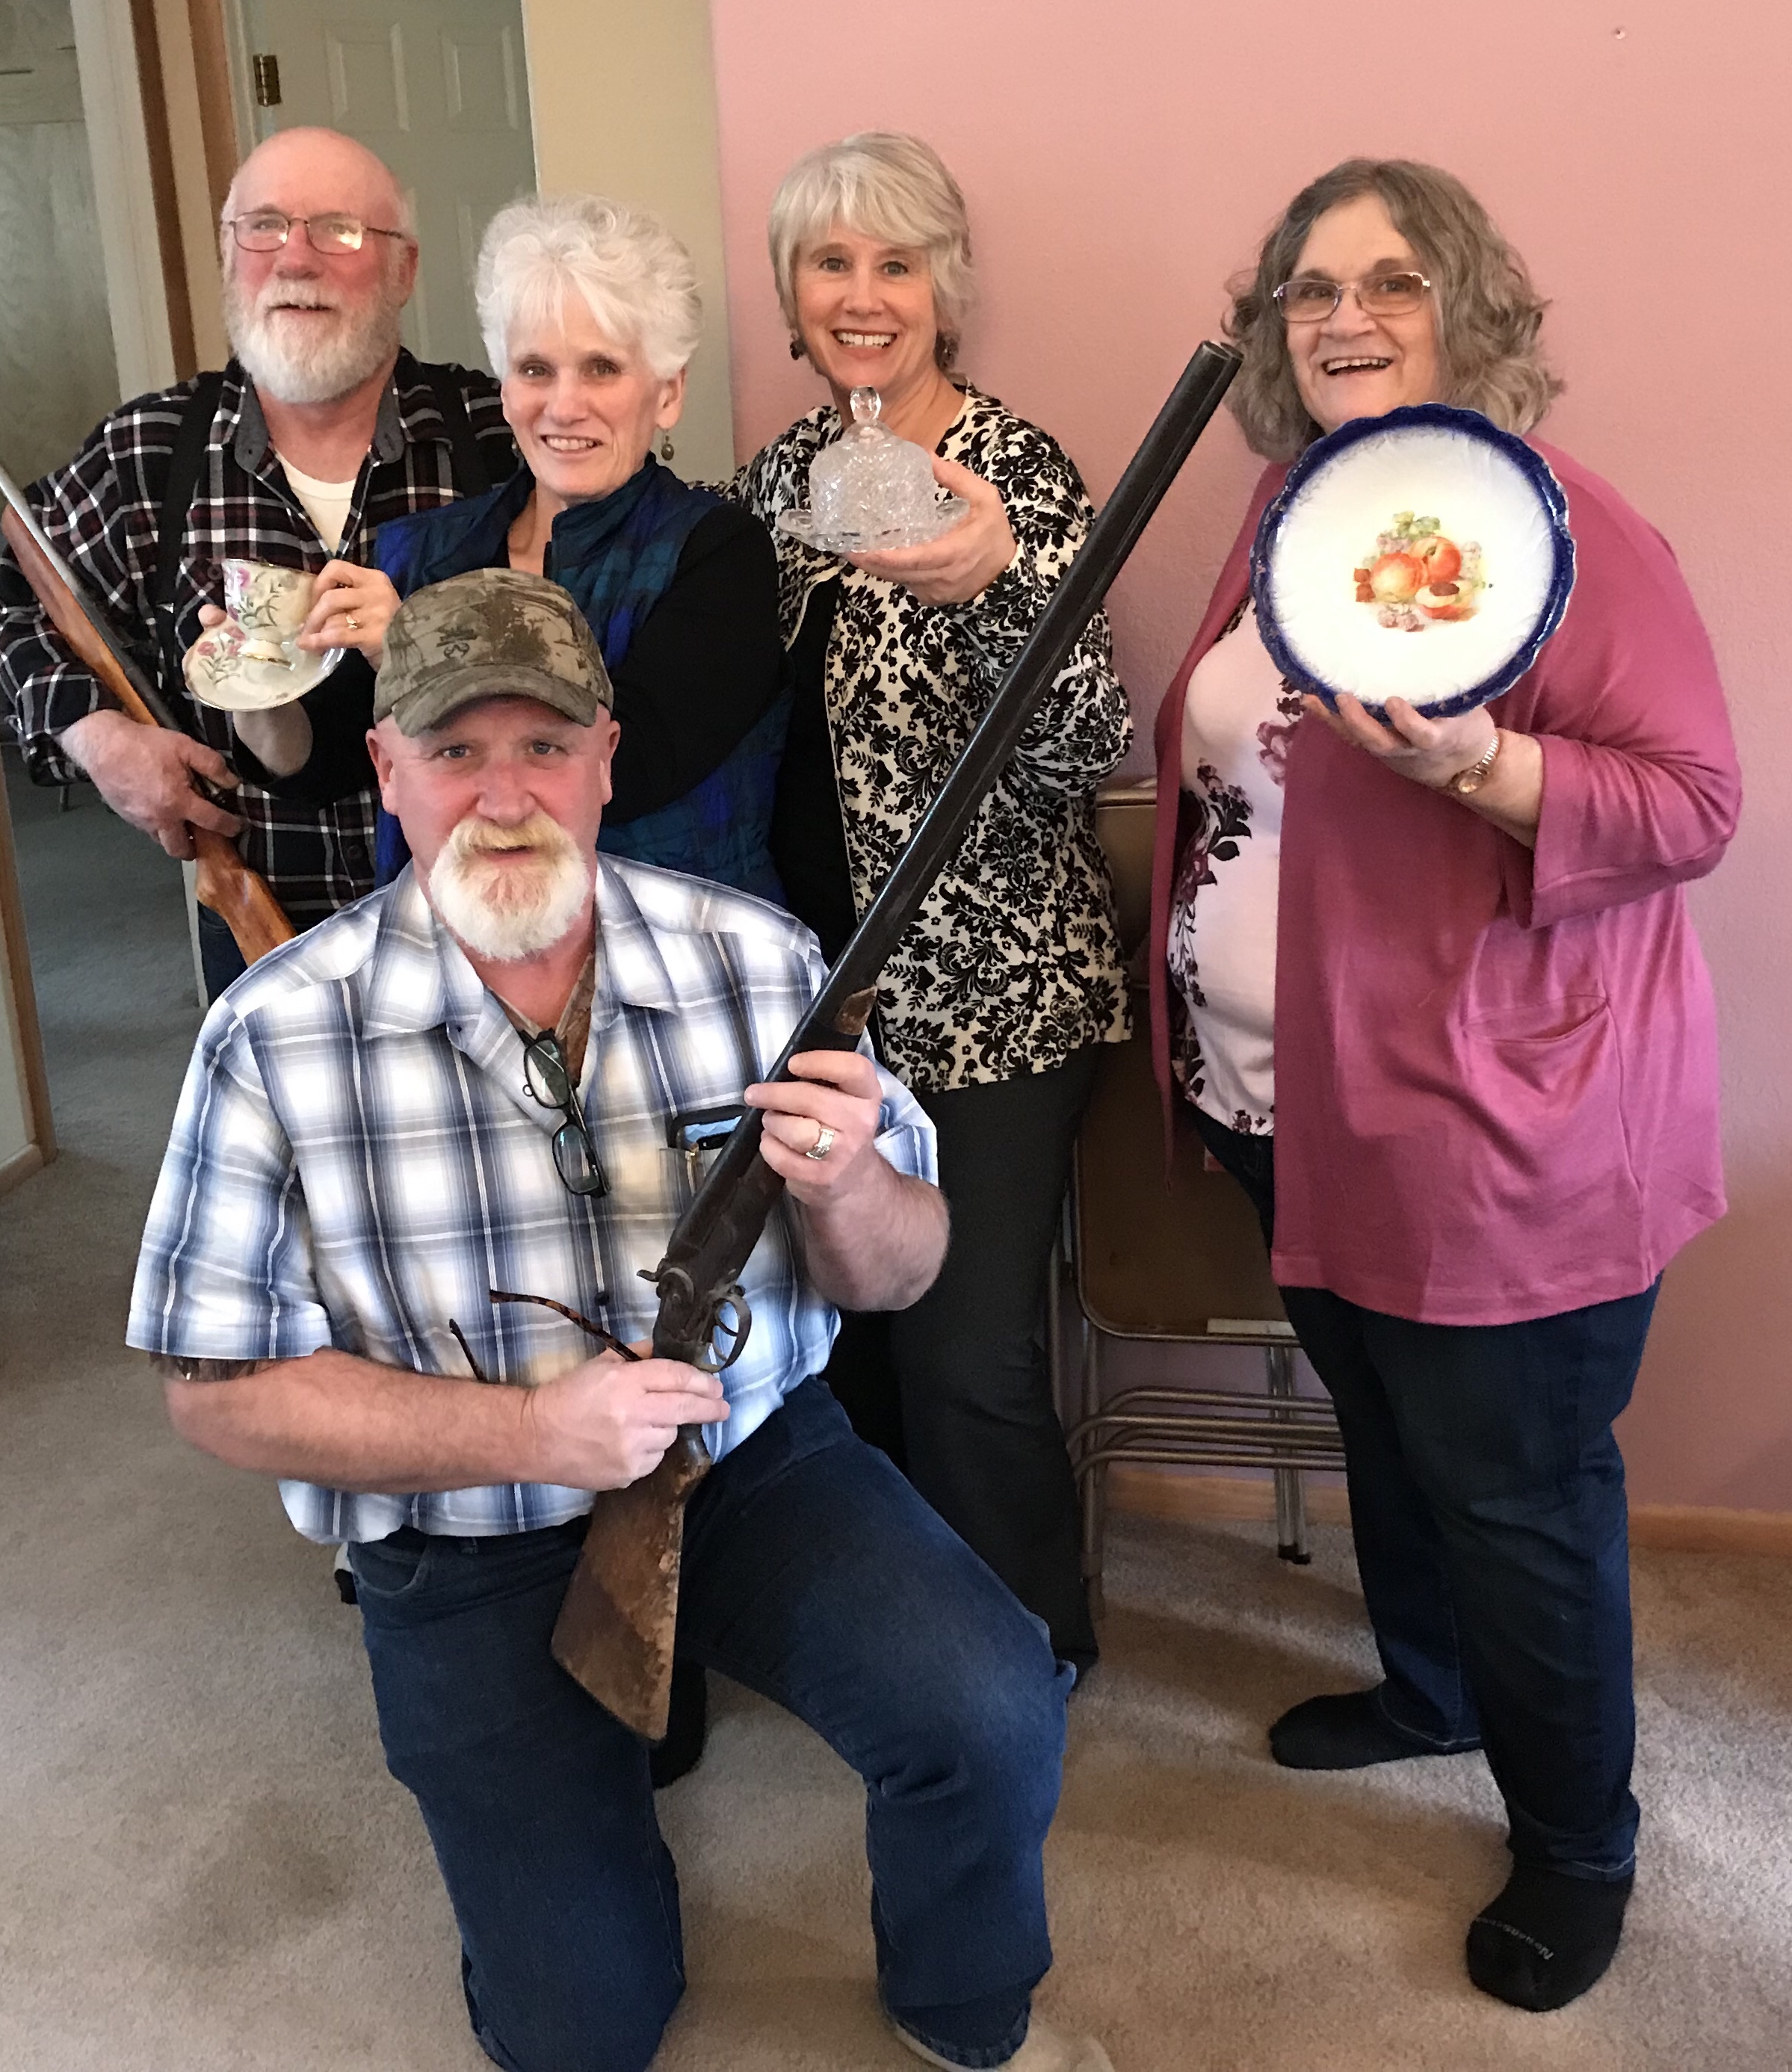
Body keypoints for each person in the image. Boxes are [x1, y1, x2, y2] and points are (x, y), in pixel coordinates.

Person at [129, 569, 1110, 2072]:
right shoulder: (271, 1033)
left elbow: (904, 1273)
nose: (503, 791)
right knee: (578, 2030)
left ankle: (963, 2000)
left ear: (605, 758)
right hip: (463, 1531)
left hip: (754, 1468)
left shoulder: (762, 960)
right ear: (386, 769)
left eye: (544, 744)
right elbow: (215, 1386)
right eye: (455, 751)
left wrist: (850, 1187)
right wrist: (529, 1428)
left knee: (991, 1706)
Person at [1149, 158, 1741, 2012]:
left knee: (1513, 1490)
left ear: (1466, 308)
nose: (1344, 318)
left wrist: (1486, 768)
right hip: (1294, 1108)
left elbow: (1692, 804)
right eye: (1310, 289)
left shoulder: (1562, 530)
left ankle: (1577, 1842)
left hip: (1501, 1132)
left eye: (1390, 282)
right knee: (1391, 1435)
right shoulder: (1292, 507)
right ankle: (1433, 1689)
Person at [732, 133, 1128, 1673]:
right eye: (831, 263)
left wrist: (999, 590)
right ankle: (901, 1643)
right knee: (843, 1344)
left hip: (996, 992)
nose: (862, 294)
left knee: (965, 1354)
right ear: (792, 294)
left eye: (895, 263)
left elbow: (1090, 742)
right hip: (821, 1000)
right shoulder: (772, 486)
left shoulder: (1014, 471)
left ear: (944, 289)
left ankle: (1027, 1652)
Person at [0, 126, 515, 998]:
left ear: (404, 269)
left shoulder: (498, 435)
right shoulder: (148, 453)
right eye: (264, 227)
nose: (294, 259)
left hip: (498, 923)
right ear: (229, 255)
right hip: (261, 930)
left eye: (338, 230)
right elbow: (20, 609)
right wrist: (100, 740)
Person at [235, 192, 788, 902]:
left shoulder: (719, 553)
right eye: (535, 369)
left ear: (668, 393)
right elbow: (327, 763)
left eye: (601, 368)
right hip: (454, 950)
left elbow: (630, 765)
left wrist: (419, 650)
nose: (564, 405)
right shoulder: (424, 551)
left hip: (670, 950)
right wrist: (258, 687)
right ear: (504, 389)